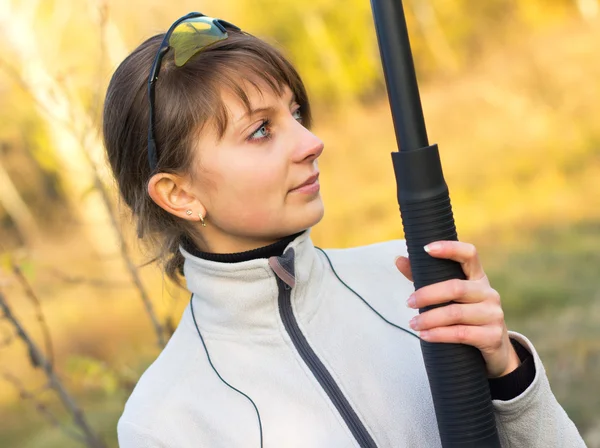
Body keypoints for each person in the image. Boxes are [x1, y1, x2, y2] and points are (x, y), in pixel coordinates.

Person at [102, 12, 585, 448]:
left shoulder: (409, 279)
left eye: (294, 114)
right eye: (261, 131)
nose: (312, 142)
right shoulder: (166, 423)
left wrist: (507, 375)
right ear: (179, 194)